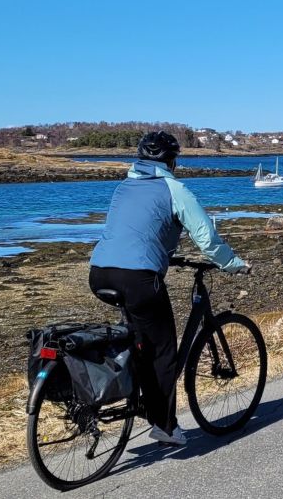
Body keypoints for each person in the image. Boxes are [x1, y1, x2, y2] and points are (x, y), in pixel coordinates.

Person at [88, 131, 249, 445]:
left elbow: (135, 230)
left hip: (100, 272)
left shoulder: (123, 187)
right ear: (172, 160)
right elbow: (207, 239)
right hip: (137, 278)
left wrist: (166, 255)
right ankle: (164, 426)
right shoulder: (175, 189)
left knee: (141, 340)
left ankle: (134, 392)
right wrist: (233, 264)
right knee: (163, 350)